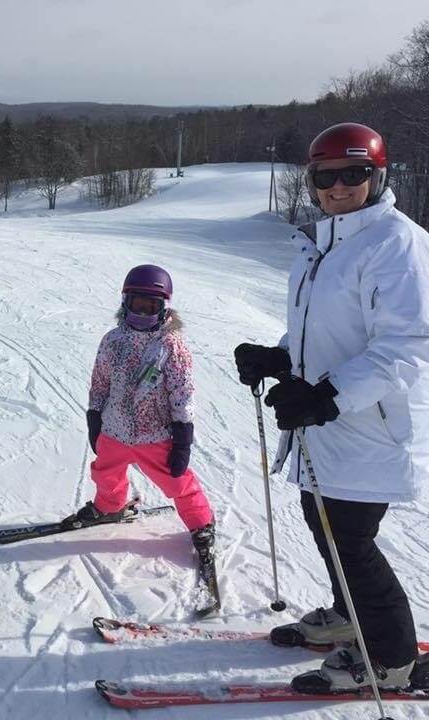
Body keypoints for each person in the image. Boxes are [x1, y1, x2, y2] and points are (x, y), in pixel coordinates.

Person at [234, 122, 429, 691]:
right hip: (327, 424)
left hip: (370, 425)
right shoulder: (324, 242)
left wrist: (327, 396)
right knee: (324, 524)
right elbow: (322, 332)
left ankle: (390, 662)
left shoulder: (397, 243)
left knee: (350, 538)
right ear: (312, 179)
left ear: (377, 175)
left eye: (354, 174)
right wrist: (278, 357)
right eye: (326, 175)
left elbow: (407, 346)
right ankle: (351, 620)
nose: (339, 186)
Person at [74, 264, 218, 609]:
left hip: (156, 435)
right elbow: (100, 381)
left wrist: (183, 434)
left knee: (178, 482)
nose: (142, 313)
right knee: (106, 473)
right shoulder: (113, 340)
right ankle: (110, 507)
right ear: (125, 302)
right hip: (114, 429)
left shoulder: (171, 346)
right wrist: (95, 415)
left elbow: (182, 392)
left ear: (164, 308)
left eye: (150, 307)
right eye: (137, 305)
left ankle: (202, 525)